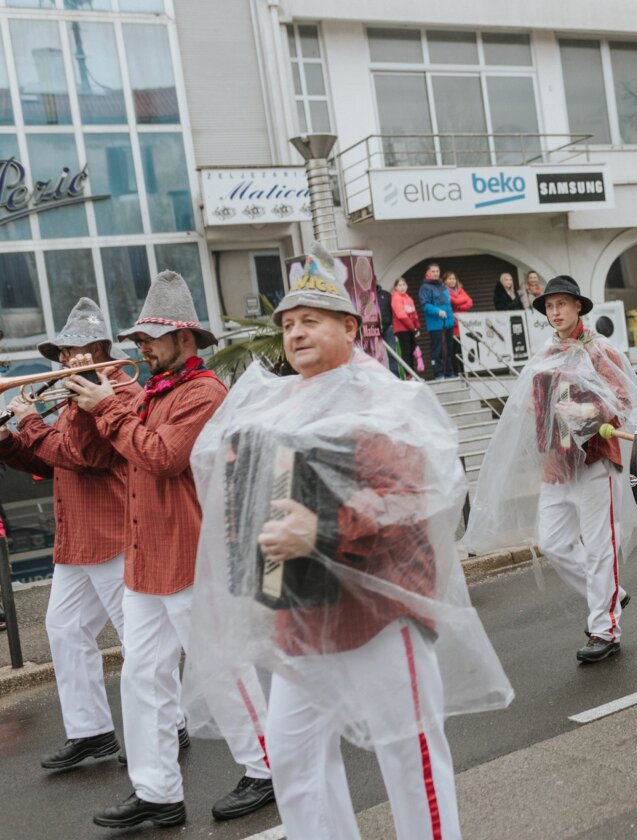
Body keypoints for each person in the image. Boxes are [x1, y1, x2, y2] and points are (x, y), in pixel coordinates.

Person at [182, 246, 512, 840]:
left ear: (349, 327)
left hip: (378, 615)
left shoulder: (384, 397)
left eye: (310, 319)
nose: (295, 331)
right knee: (292, 758)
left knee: (409, 760)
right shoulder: (273, 405)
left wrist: (323, 528)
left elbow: (417, 494)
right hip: (300, 620)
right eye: (286, 323)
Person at [64, 272, 274, 829]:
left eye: (152, 338)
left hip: (190, 557)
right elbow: (101, 456)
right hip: (144, 557)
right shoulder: (150, 393)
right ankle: (157, 790)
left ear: (186, 339)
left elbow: (161, 457)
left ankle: (267, 769)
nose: (141, 348)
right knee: (142, 676)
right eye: (138, 340)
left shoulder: (205, 393)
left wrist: (109, 407)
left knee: (222, 667)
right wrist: (88, 406)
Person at [461, 277, 637, 663]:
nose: (555, 312)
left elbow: (622, 398)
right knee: (553, 542)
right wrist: (539, 410)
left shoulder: (600, 350)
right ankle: (612, 593)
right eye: (549, 306)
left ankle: (605, 629)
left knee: (599, 549)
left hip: (595, 458)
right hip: (558, 463)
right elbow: (536, 402)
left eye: (561, 304)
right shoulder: (547, 353)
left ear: (578, 306)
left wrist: (585, 412)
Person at [0, 299, 139, 771]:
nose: (65, 359)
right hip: (76, 537)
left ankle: (168, 725)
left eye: (75, 349)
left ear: (99, 348)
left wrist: (30, 421)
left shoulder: (115, 391)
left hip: (112, 531)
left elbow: (85, 454)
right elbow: (48, 459)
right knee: (63, 629)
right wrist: (7, 440)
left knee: (137, 639)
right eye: (62, 352)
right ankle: (91, 732)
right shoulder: (69, 395)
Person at [421, 263, 455, 381]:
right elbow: (425, 306)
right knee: (437, 350)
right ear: (428, 273)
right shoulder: (425, 287)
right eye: (433, 271)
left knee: (449, 349)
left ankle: (450, 372)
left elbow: (448, 304)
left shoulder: (443, 286)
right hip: (435, 324)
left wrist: (452, 319)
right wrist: (437, 311)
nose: (435, 273)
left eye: (437, 271)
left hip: (448, 323)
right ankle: (438, 373)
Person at [391, 278, 421, 376]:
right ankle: (409, 375)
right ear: (395, 287)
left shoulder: (408, 298)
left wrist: (417, 327)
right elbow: (401, 315)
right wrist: (413, 328)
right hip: (402, 329)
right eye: (399, 285)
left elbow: (414, 314)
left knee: (412, 351)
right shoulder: (396, 298)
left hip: (411, 329)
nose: (402, 287)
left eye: (404, 284)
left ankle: (412, 373)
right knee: (406, 352)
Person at [445, 271, 474, 376]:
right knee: (454, 350)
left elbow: (470, 302)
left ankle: (465, 370)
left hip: (463, 324)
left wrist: (459, 307)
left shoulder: (460, 290)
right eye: (449, 279)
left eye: (453, 278)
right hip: (454, 325)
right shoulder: (445, 291)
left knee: (464, 349)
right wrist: (461, 302)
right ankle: (457, 372)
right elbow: (454, 302)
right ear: (445, 281)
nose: (452, 281)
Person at [376, 280, 398, 376]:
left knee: (392, 353)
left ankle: (395, 375)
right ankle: (380, 376)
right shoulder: (366, 295)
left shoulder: (386, 295)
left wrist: (393, 325)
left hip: (388, 328)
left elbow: (394, 311)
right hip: (373, 330)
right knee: (376, 354)